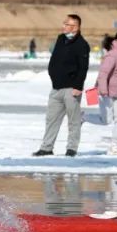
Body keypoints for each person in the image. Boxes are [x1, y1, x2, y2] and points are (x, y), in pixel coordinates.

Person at [33, 14, 90, 157]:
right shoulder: (60, 39)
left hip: (71, 89)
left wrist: (78, 87)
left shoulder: (82, 45)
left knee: (73, 121)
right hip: (56, 88)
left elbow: (83, 68)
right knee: (51, 119)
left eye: (66, 24)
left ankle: (71, 149)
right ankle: (46, 148)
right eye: (64, 23)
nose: (63, 26)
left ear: (75, 27)